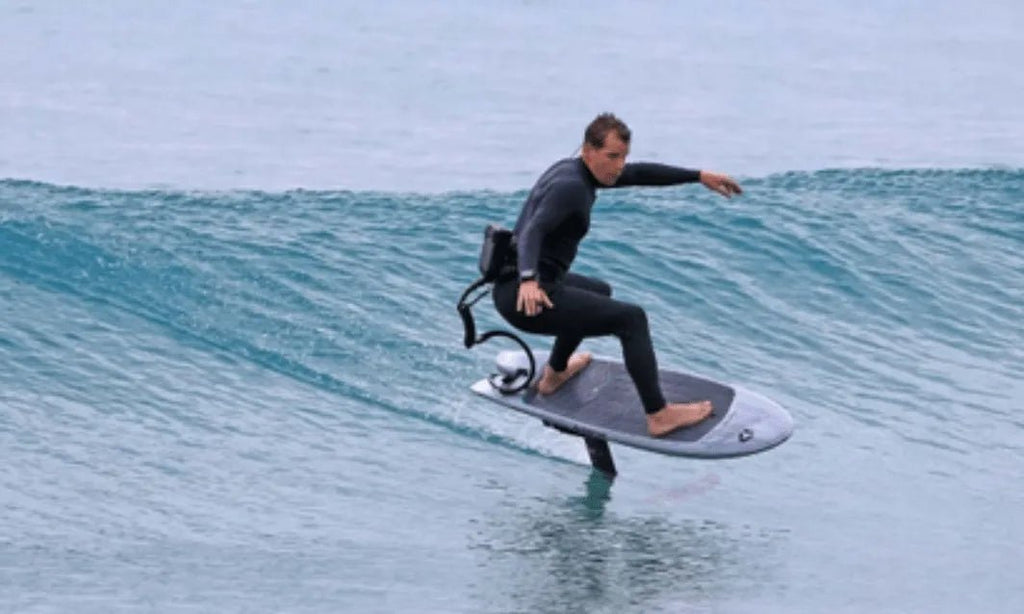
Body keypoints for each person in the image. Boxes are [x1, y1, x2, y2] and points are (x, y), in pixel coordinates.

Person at [492, 113, 743, 437]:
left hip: (521, 285)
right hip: (526, 296)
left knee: (600, 292)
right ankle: (659, 415)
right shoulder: (571, 188)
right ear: (589, 151)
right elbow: (534, 231)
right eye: (612, 156)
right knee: (632, 319)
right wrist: (528, 279)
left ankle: (554, 376)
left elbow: (639, 173)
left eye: (623, 156)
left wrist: (698, 176)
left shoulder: (576, 171)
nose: (619, 165)